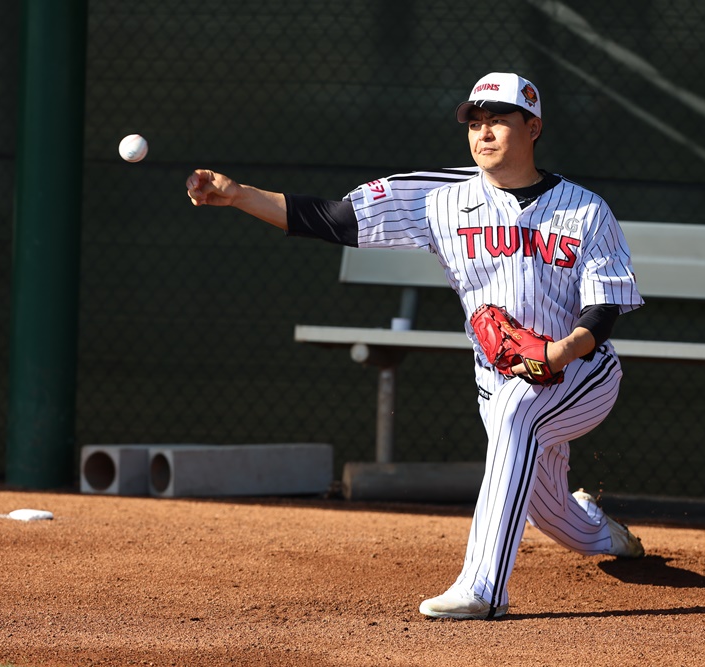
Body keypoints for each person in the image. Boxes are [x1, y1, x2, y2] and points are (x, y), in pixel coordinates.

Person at [186, 72, 645, 620]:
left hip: (583, 373)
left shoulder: (584, 208)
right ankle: (604, 534)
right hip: (498, 379)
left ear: (534, 127)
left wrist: (561, 352)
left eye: (498, 120)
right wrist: (239, 195)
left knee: (518, 416)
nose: (483, 132)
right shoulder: (441, 199)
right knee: (552, 511)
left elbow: (604, 307)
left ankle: (483, 589)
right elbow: (335, 220)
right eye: (475, 122)